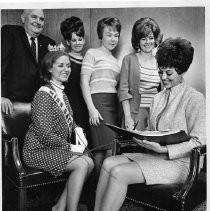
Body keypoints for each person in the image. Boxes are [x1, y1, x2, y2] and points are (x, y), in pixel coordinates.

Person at [93, 37, 206, 211]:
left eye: (169, 73)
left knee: (119, 172)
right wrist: (138, 135)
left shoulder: (195, 98)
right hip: (156, 156)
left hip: (182, 164)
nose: (163, 78)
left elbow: (200, 142)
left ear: (182, 71)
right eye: (160, 72)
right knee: (108, 163)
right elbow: (152, 131)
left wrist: (165, 150)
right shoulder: (158, 98)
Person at [22, 49, 94, 211]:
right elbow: (45, 135)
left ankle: (59, 207)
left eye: (68, 66)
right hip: (37, 151)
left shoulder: (62, 94)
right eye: (60, 65)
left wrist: (78, 131)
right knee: (81, 165)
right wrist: (71, 147)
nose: (66, 69)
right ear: (49, 68)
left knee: (89, 162)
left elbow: (70, 121)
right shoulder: (43, 95)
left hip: (53, 148)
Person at [80, 17, 121, 174]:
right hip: (98, 103)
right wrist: (91, 108)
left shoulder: (115, 61)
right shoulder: (92, 53)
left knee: (104, 149)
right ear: (100, 35)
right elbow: (84, 82)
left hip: (112, 104)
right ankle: (99, 191)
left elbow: (115, 86)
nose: (113, 39)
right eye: (109, 34)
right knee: (107, 148)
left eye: (116, 35)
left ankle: (96, 191)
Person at [1, 9, 55, 115]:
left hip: (39, 107)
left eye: (41, 19)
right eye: (34, 17)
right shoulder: (10, 33)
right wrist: (1, 96)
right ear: (23, 18)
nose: (38, 22)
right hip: (11, 105)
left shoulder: (49, 43)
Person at [119, 17, 163, 131]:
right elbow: (123, 91)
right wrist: (128, 117)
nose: (148, 42)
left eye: (151, 38)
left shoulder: (160, 62)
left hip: (155, 115)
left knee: (153, 148)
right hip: (135, 115)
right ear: (137, 40)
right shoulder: (128, 59)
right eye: (143, 39)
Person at [60, 16, 91, 146]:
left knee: (86, 142)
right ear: (68, 42)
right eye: (74, 40)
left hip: (85, 107)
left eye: (80, 39)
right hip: (70, 107)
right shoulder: (65, 60)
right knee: (75, 142)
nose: (78, 43)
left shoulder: (87, 60)